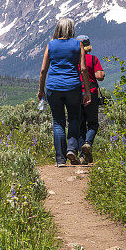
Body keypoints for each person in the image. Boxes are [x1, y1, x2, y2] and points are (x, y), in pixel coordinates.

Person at [38, 18, 92, 167]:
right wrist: (87, 91)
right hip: (73, 87)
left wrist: (41, 90)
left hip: (53, 88)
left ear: (58, 29)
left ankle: (60, 159)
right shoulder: (78, 44)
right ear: (71, 29)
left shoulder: (50, 45)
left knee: (58, 122)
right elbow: (83, 69)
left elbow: (43, 70)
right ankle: (72, 149)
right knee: (74, 118)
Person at [76, 35, 104, 164]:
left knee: (80, 124)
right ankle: (88, 143)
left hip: (76, 94)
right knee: (92, 123)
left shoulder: (73, 59)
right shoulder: (93, 59)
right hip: (91, 93)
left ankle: (82, 157)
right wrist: (101, 73)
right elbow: (99, 76)